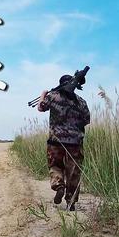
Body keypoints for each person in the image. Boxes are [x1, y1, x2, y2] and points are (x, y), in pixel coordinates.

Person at [37, 75, 91, 211]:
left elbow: (41, 108)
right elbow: (86, 120)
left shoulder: (53, 96)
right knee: (74, 173)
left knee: (55, 166)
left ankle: (59, 186)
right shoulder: (81, 101)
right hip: (75, 143)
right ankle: (71, 202)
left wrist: (43, 94)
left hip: (55, 141)